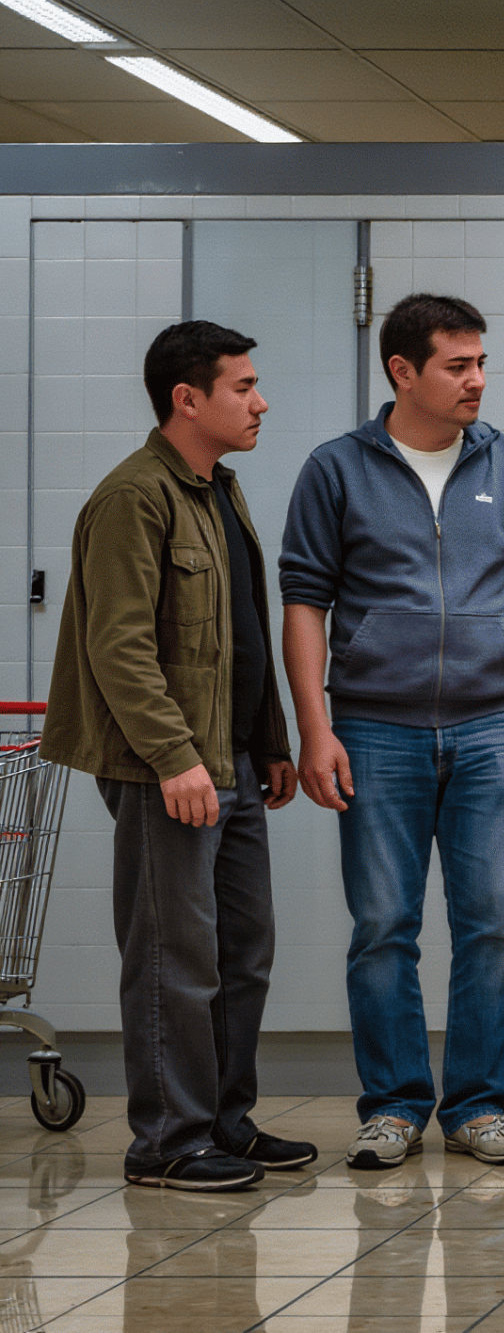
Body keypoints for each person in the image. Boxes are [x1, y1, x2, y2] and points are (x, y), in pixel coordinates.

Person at [280, 292, 504, 1169]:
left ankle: (479, 1107)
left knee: (493, 923)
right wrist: (315, 727)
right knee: (382, 928)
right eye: (458, 364)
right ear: (404, 371)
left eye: (481, 362)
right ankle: (395, 1107)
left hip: (486, 728)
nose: (478, 379)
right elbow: (303, 604)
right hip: (373, 731)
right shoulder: (337, 469)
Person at [42, 320, 312, 1192]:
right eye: (244, 386)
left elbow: (241, 636)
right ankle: (166, 1141)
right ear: (186, 399)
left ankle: (223, 1125)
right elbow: (116, 646)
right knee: (172, 958)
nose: (261, 401)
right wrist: (173, 758)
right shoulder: (134, 497)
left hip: (229, 761)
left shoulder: (218, 490)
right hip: (170, 772)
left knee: (243, 952)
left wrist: (269, 741)